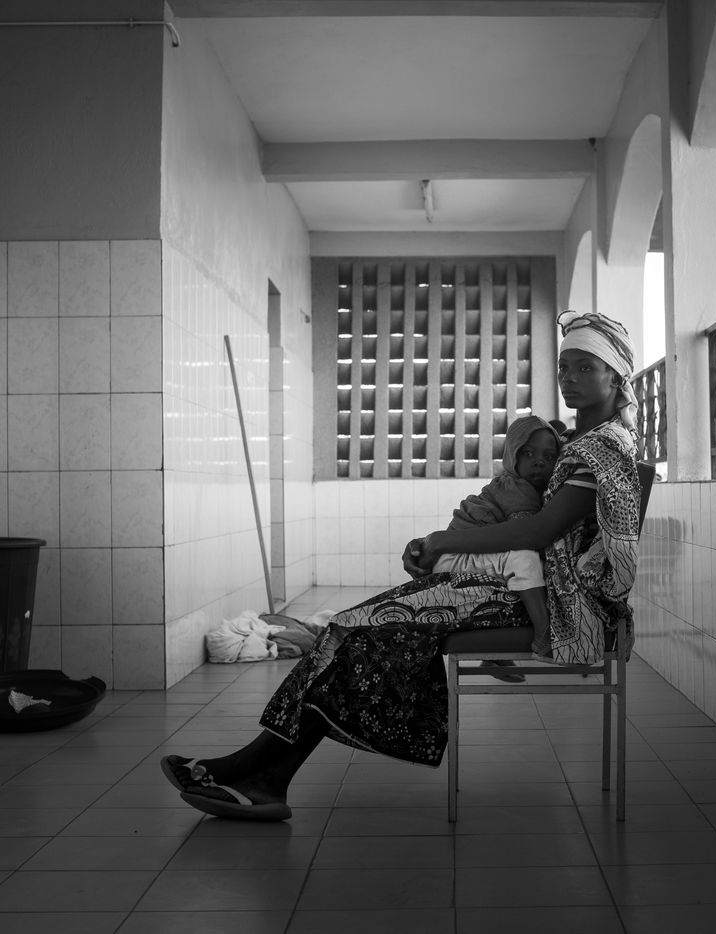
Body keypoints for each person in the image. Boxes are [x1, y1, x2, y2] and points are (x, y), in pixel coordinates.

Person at [160, 309, 642, 821]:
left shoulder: (602, 448)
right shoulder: (579, 443)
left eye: (585, 367)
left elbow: (537, 532)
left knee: (354, 629)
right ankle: (258, 772)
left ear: (616, 377)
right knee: (352, 628)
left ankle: (259, 774)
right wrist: (446, 550)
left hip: (559, 605)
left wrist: (441, 542)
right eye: (564, 366)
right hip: (521, 585)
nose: (568, 377)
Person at [432, 414, 561, 661]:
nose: (539, 462)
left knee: (519, 566)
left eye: (549, 457)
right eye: (528, 453)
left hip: (467, 556)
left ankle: (495, 657)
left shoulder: (521, 486)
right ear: (512, 454)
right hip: (455, 559)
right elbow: (526, 536)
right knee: (525, 559)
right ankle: (544, 634)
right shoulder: (518, 488)